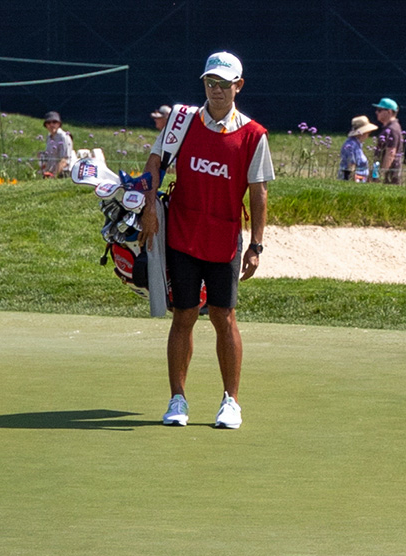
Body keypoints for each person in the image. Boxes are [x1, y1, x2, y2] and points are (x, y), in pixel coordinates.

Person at [139, 51, 274, 429]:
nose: (216, 90)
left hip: (224, 240)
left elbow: (259, 193)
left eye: (224, 84)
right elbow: (153, 164)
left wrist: (257, 245)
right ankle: (177, 399)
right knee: (183, 315)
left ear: (238, 86)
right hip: (181, 236)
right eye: (210, 83)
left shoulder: (253, 134)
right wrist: (150, 207)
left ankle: (231, 401)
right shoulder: (180, 122)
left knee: (223, 316)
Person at [372, 97, 404, 184]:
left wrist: (381, 174)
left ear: (389, 112)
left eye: (379, 110)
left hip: (389, 174)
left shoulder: (392, 129)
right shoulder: (389, 128)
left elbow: (390, 153)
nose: (376, 112)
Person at [37, 111, 74, 178]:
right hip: (51, 173)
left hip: (64, 173)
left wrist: (54, 175)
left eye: (54, 122)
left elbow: (65, 159)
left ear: (59, 124)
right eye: (48, 123)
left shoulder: (64, 137)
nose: (51, 125)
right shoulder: (48, 137)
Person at [339, 116, 377, 181]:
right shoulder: (350, 146)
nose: (368, 135)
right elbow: (349, 168)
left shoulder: (357, 144)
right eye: (368, 132)